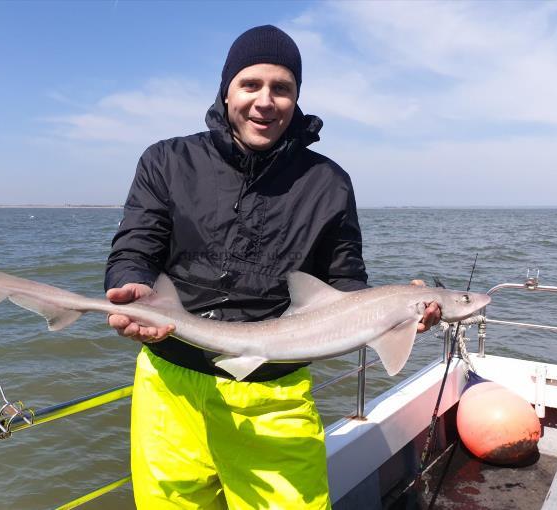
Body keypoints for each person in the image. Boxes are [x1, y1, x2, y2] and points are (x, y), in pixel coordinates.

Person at [105, 25, 440, 509]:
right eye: (251, 85)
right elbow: (136, 246)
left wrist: (395, 313)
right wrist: (130, 286)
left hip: (274, 394)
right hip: (170, 385)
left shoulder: (328, 183)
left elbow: (345, 279)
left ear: (297, 98)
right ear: (227, 90)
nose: (266, 101)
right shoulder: (166, 160)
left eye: (282, 88)